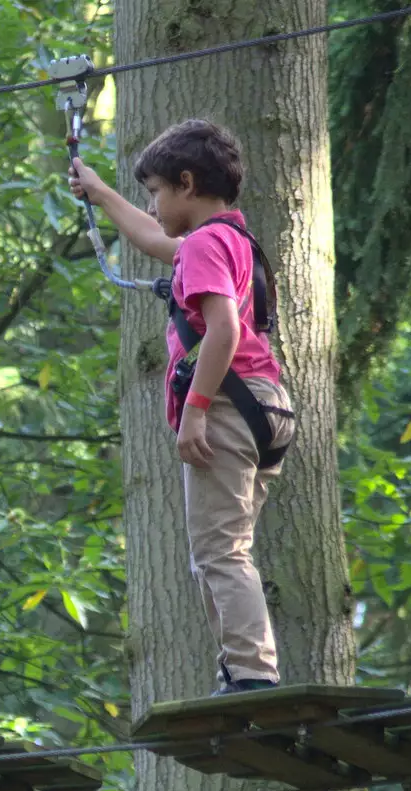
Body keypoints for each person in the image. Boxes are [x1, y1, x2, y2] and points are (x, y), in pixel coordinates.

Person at [70, 118, 296, 696]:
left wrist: (195, 409)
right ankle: (242, 668)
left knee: (218, 552)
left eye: (157, 192)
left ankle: (250, 674)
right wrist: (100, 191)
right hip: (267, 407)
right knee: (227, 551)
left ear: (187, 184)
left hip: (226, 405)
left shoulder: (202, 245)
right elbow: (153, 239)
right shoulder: (231, 239)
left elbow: (221, 329)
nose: (154, 203)